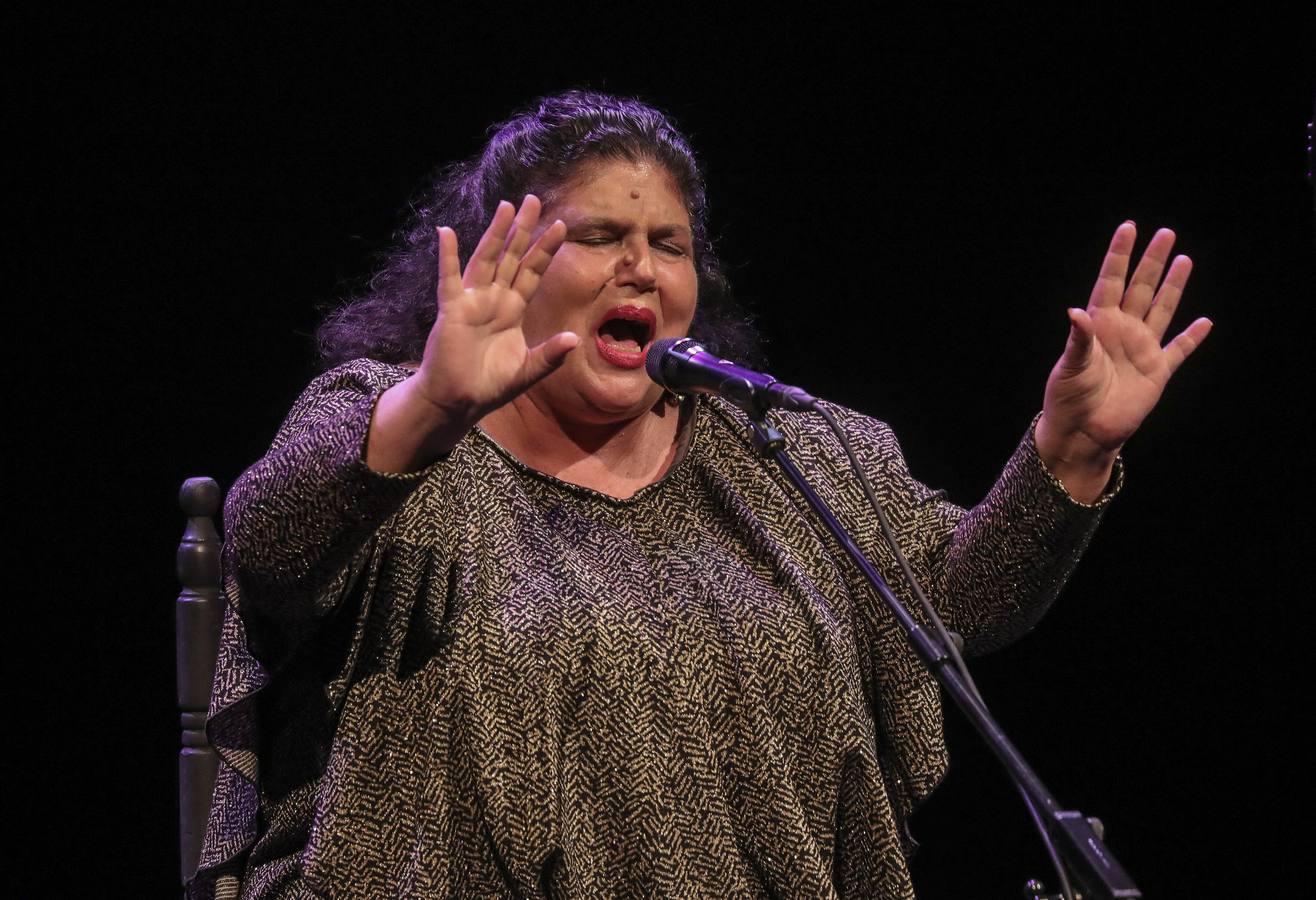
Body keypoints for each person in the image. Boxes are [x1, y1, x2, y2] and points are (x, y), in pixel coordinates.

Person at [190, 91, 1212, 899]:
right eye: (595, 236)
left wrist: (1065, 451)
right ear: (509, 260)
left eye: (668, 244)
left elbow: (954, 605)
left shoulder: (783, 454)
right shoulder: (385, 422)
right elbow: (273, 546)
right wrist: (431, 406)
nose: (638, 265)